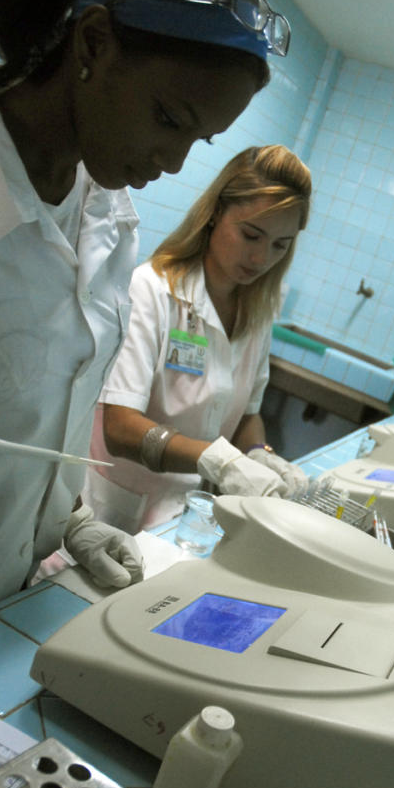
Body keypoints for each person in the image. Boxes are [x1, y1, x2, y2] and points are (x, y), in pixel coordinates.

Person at [0, 0, 291, 620]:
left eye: (199, 141)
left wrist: (67, 518)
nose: (171, 164)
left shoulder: (106, 218)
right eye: (169, 119)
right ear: (95, 42)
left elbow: (41, 420)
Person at [84, 145, 312, 533]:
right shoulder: (152, 291)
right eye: (251, 235)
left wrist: (259, 453)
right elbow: (120, 428)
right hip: (115, 511)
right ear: (215, 214)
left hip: (185, 515)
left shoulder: (257, 315)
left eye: (280, 245)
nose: (261, 259)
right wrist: (220, 461)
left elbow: (247, 415)